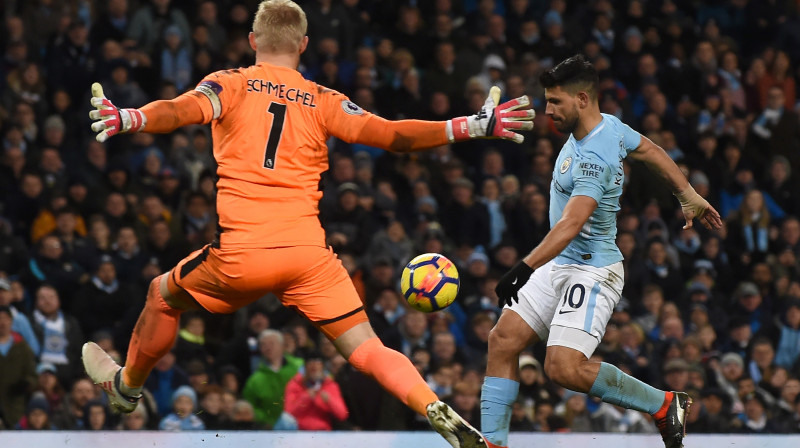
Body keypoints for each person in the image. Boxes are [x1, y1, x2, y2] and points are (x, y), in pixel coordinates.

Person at [80, 1, 534, 447]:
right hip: (308, 257)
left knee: (162, 294)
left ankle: (126, 387)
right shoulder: (323, 99)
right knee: (367, 349)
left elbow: (180, 110)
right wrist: (467, 127)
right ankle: (431, 403)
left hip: (243, 254)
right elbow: (392, 135)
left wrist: (130, 117)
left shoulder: (228, 84)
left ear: (253, 40)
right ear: (304, 46)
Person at [479, 55, 722, 448]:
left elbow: (572, 224)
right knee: (502, 340)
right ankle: (492, 443)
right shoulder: (608, 126)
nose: (547, 110)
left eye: (555, 102)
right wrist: (688, 194)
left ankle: (662, 404)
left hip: (592, 271)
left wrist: (523, 267)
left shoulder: (596, 158)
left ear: (581, 99)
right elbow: (651, 150)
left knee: (561, 367)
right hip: (560, 260)